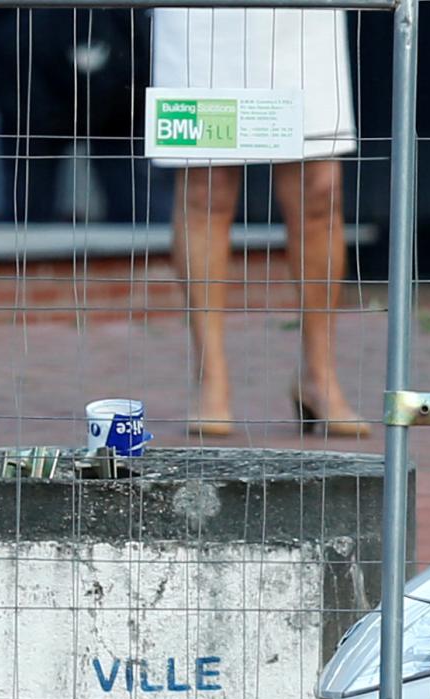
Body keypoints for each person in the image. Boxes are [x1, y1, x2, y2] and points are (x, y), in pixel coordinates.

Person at [154, 9, 367, 437]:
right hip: (203, 19)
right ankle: (210, 377)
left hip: (302, 18)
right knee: (206, 186)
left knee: (320, 189)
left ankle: (319, 374)